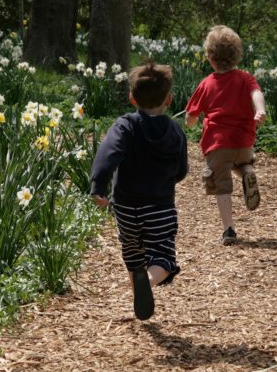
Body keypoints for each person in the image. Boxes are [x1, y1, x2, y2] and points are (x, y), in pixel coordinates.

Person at [90, 61, 188, 320]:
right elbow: (182, 169)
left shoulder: (125, 126)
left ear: (132, 99)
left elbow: (107, 154)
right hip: (159, 205)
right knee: (163, 257)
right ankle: (149, 280)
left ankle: (139, 291)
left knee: (133, 251)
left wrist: (98, 185)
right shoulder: (175, 130)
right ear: (169, 99)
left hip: (125, 206)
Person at [185, 25, 267, 246]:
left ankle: (228, 229)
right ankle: (247, 171)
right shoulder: (245, 78)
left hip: (218, 142)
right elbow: (256, 93)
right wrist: (260, 110)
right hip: (243, 140)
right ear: (237, 55)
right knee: (240, 164)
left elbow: (191, 117)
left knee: (222, 186)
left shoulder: (206, 84)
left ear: (210, 58)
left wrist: (189, 121)